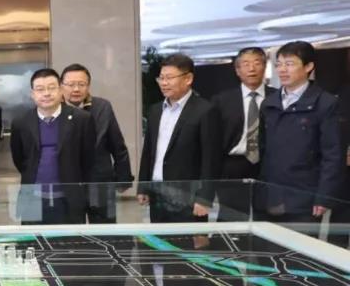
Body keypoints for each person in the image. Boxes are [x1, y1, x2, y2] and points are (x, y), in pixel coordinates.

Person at [259, 40, 342, 223]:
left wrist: (324, 196)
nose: (282, 70)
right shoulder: (269, 104)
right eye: (279, 64)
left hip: (305, 194)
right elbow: (263, 148)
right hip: (270, 193)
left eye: (289, 64)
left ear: (308, 67)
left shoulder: (325, 103)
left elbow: (333, 155)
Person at [137, 53, 222, 223]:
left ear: (188, 79)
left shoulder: (205, 110)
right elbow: (148, 152)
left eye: (169, 78)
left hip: (188, 195)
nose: (164, 83)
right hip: (158, 192)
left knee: (187, 240)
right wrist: (143, 187)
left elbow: (211, 159)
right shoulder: (155, 110)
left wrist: (205, 198)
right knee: (159, 239)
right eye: (161, 78)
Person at [10, 69, 95, 224]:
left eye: (51, 88)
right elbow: (19, 159)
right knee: (34, 238)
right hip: (32, 198)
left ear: (61, 90)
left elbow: (88, 159)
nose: (46, 93)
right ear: (32, 94)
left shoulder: (81, 119)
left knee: (70, 239)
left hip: (69, 199)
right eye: (40, 89)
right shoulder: (21, 122)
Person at [60, 63, 134, 223]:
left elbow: (117, 144)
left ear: (88, 85)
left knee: (105, 229)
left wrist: (124, 178)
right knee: (72, 231)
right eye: (71, 84)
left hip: (100, 181)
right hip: (68, 183)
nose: (76, 89)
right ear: (61, 86)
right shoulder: (55, 109)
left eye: (81, 84)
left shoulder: (102, 106)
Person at [210, 47, 276, 221]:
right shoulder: (221, 100)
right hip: (232, 166)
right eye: (246, 64)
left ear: (265, 66)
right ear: (237, 70)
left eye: (257, 63)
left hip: (268, 165)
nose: (251, 69)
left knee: (267, 219)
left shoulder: (277, 98)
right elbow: (213, 140)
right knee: (231, 218)